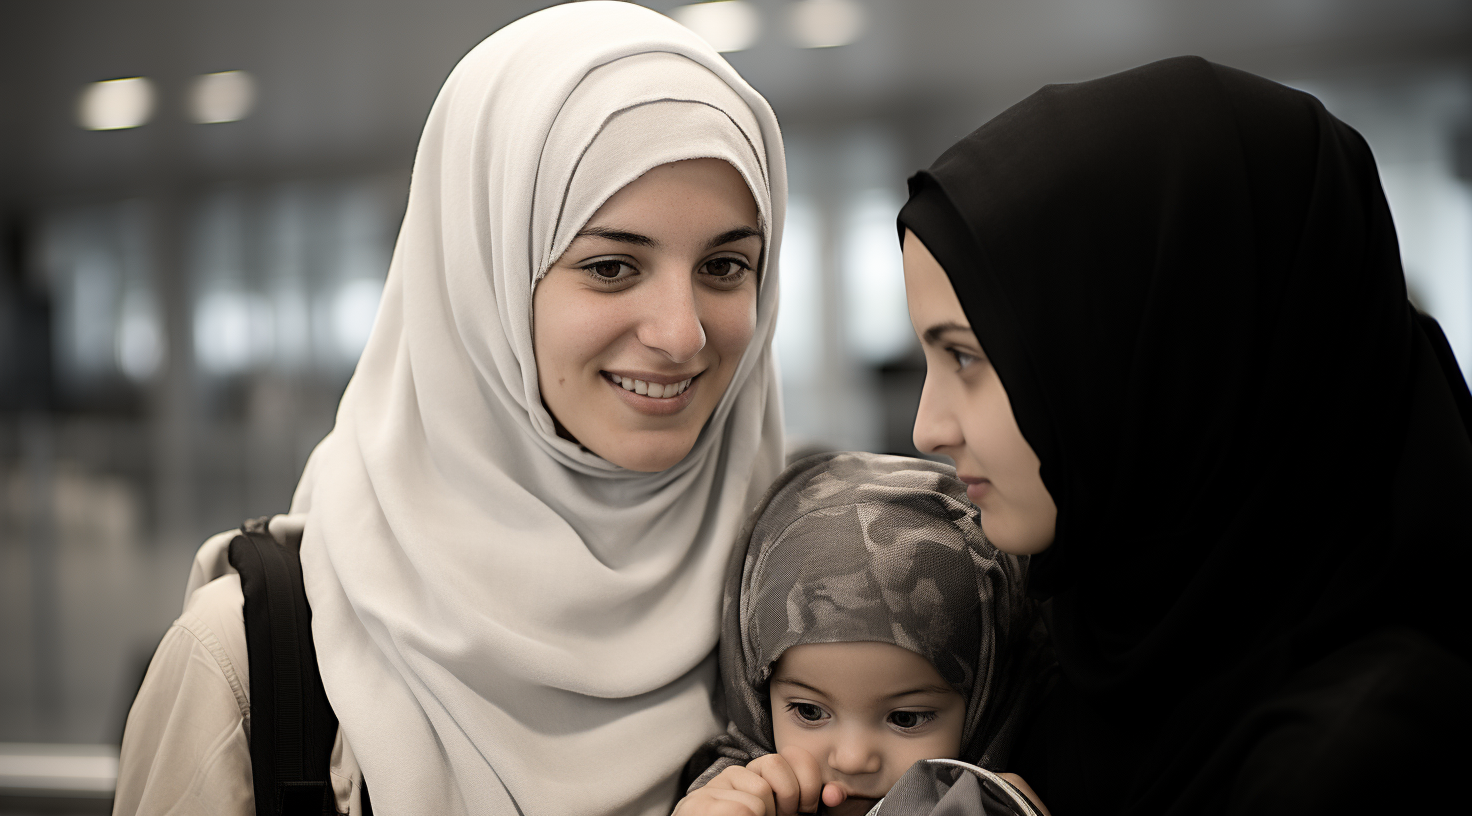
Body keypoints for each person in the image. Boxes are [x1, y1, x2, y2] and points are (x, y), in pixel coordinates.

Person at [113, 3, 788, 815]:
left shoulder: (808, 628)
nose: (682, 335)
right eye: (611, 266)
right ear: (483, 283)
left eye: (724, 265)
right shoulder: (249, 662)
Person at [897, 55, 1472, 815]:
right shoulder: (1089, 645)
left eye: (967, 355)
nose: (925, 427)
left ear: (1171, 357)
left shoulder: (1358, 756)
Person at [674, 451, 1044, 816]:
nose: (851, 760)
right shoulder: (726, 802)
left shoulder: (1014, 802)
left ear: (987, 695)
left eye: (906, 718)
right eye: (809, 711)